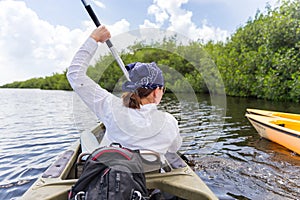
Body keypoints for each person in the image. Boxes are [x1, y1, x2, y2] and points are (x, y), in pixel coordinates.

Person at [67, 25, 182, 160]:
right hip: (150, 173)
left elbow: (75, 75)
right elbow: (174, 148)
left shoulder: (111, 107)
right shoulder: (170, 121)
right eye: (163, 89)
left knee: (86, 135)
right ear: (156, 91)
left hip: (113, 173)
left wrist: (94, 39)